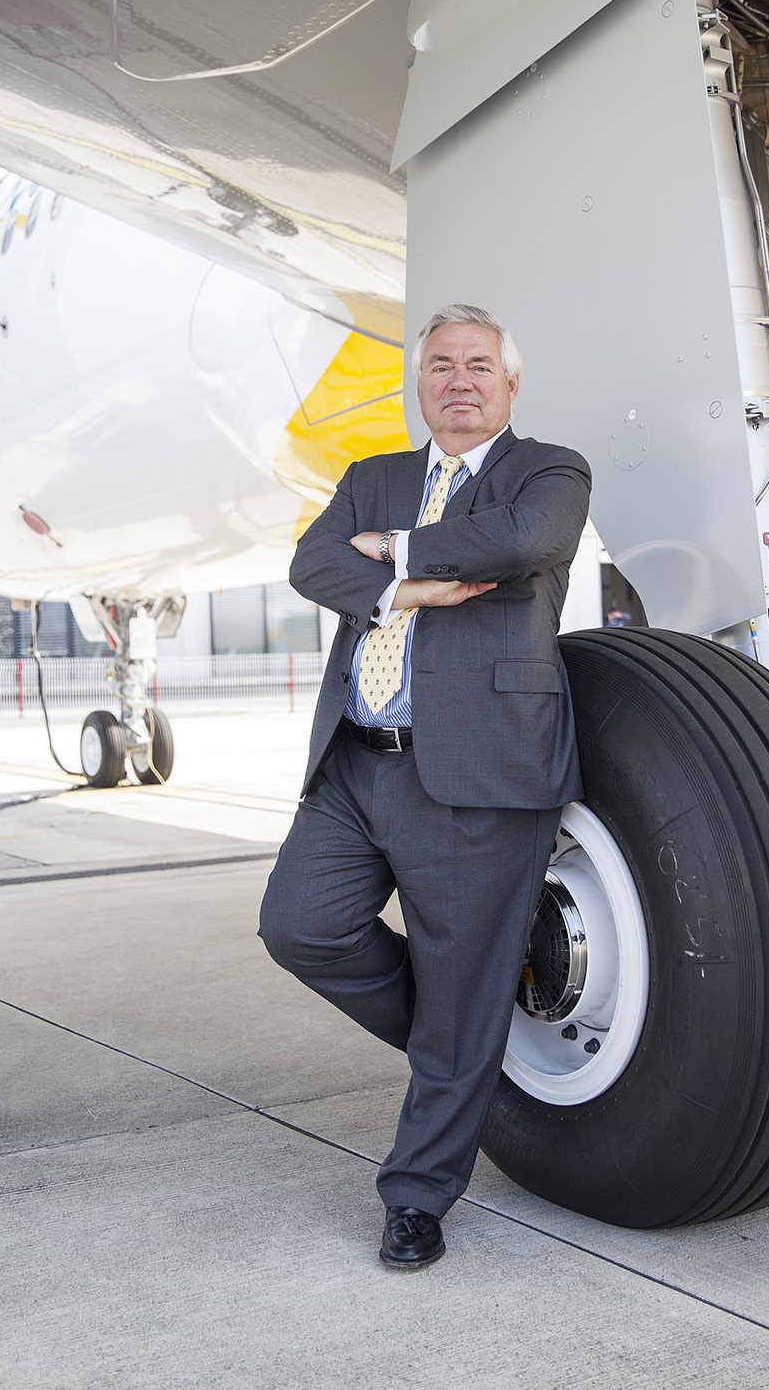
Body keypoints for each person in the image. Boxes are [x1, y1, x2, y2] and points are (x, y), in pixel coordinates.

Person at [259, 303, 590, 1270]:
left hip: (477, 770)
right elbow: (311, 561)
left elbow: (519, 540)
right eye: (440, 365)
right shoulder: (373, 477)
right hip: (356, 758)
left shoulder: (549, 471)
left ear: (510, 383)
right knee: (300, 926)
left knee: (461, 989)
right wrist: (407, 591)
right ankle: (465, 1038)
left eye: (479, 364)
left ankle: (417, 1194)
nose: (459, 380)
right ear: (419, 385)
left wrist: (396, 550)